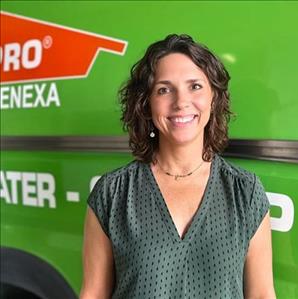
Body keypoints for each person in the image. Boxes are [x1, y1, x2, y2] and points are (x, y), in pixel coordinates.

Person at [80, 34, 276, 299]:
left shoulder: (245, 192)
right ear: (146, 104)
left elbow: (262, 294)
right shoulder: (113, 193)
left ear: (213, 98)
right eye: (164, 89)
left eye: (195, 86)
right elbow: (93, 293)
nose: (181, 102)